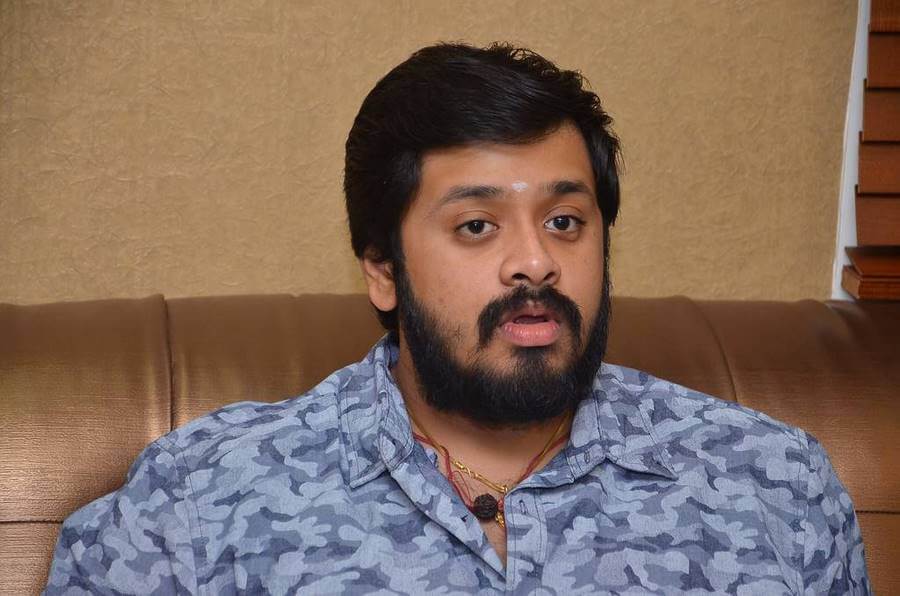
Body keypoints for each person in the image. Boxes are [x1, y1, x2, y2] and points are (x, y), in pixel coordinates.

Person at [45, 42, 869, 595]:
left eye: (566, 221)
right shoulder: (201, 498)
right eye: (477, 226)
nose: (535, 262)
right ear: (383, 270)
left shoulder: (773, 483)